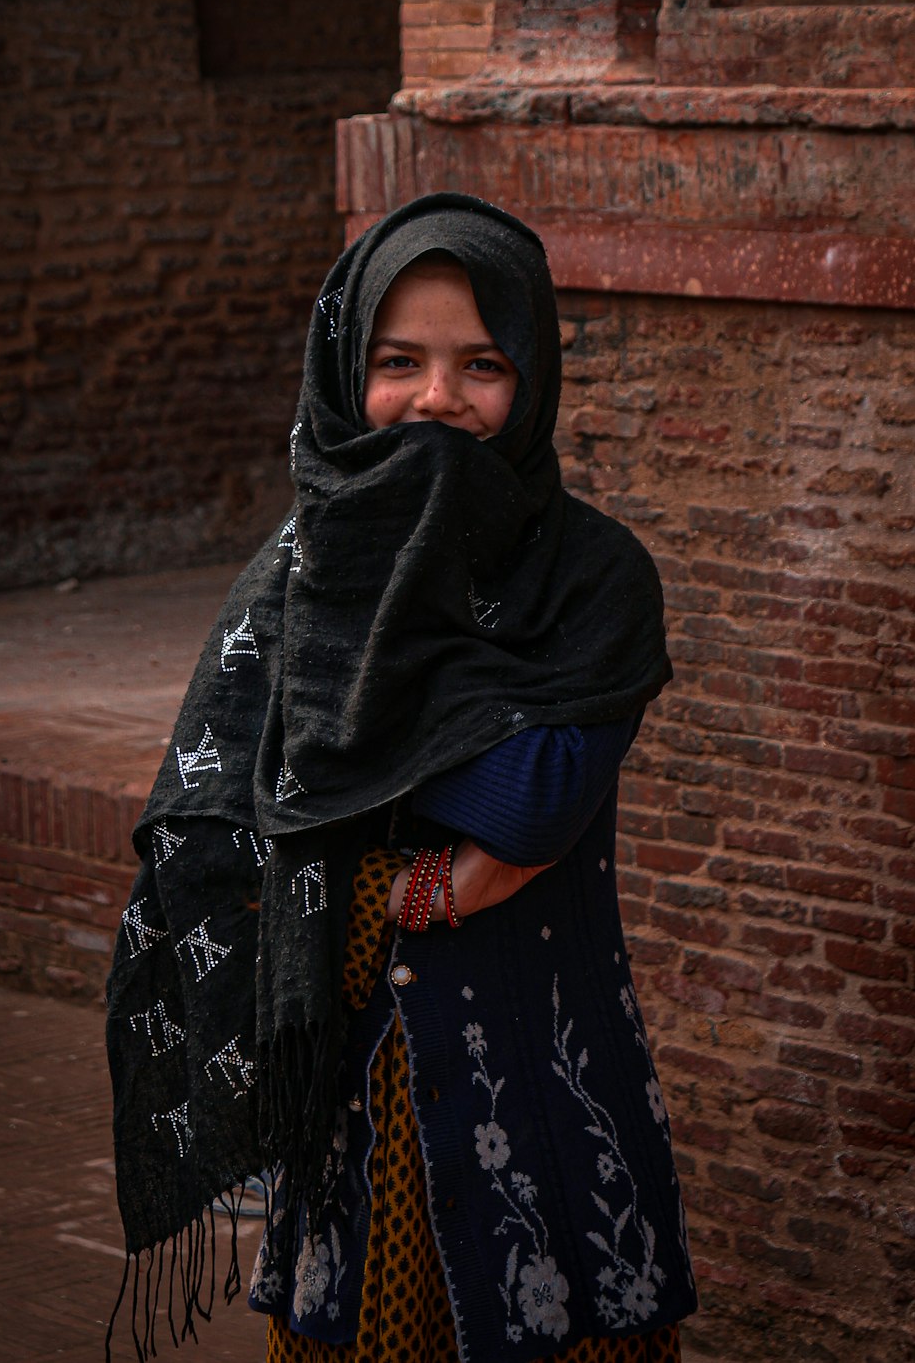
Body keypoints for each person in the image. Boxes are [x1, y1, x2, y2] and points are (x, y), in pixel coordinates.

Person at [106, 193, 697, 1363]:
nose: (438, 399)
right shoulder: (293, 577)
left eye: (483, 363)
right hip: (357, 1102)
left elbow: (528, 805)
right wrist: (438, 868)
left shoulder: (591, 580)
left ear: (531, 379)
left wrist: (355, 813)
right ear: (343, 372)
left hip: (542, 1081)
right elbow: (209, 833)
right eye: (397, 362)